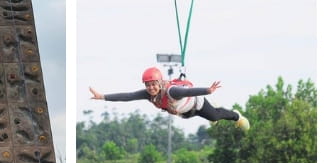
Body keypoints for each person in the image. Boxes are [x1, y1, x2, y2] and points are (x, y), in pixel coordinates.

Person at [89, 67, 250, 130]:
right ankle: (214, 112)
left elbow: (189, 92)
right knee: (188, 116)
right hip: (184, 113)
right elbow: (128, 96)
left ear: (159, 82)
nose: (150, 88)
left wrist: (207, 90)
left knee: (214, 115)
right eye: (148, 85)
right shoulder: (147, 94)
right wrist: (102, 97)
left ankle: (236, 116)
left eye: (153, 84)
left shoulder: (172, 91)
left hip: (197, 104)